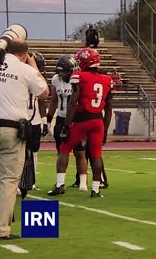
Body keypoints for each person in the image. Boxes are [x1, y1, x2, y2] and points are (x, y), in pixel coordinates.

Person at [0, 38, 49, 239]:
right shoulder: (26, 70)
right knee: (8, 182)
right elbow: (44, 93)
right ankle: (1, 230)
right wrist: (33, 65)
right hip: (12, 130)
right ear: (25, 54)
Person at [47, 47, 112, 198]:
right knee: (96, 154)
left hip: (82, 118)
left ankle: (59, 185)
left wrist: (67, 125)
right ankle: (95, 190)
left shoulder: (79, 76)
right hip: (98, 120)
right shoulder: (107, 79)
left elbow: (73, 102)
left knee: (64, 149)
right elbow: (109, 108)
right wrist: (106, 129)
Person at [46, 54, 89, 192]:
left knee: (80, 152)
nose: (61, 74)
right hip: (60, 118)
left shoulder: (79, 79)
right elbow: (53, 100)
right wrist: (48, 119)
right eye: (59, 71)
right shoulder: (56, 80)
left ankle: (82, 183)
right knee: (61, 151)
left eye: (63, 71)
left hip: (76, 120)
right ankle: (60, 183)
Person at [26, 52, 49, 190]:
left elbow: (41, 101)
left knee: (33, 151)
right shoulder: (23, 74)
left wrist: (44, 121)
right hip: (21, 118)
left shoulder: (35, 78)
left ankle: (32, 181)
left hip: (34, 120)